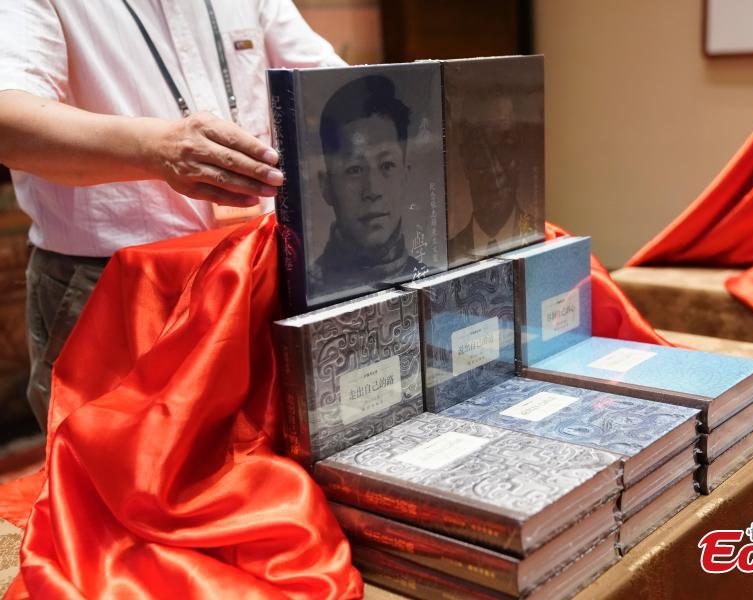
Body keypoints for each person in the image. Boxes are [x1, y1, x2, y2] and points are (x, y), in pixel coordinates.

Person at [0, 0, 345, 430]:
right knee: (116, 458)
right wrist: (154, 148)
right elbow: (8, 121)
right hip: (111, 285)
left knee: (255, 452)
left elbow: (330, 86)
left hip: (252, 266)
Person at [309, 74, 425, 300]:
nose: (373, 190)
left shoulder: (432, 278)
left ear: (405, 174)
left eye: (387, 165)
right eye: (354, 169)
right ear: (326, 185)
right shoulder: (309, 293)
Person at [447, 88, 542, 263]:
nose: (495, 168)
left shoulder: (543, 243)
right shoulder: (448, 256)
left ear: (520, 153)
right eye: (480, 149)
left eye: (505, 146)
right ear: (465, 159)